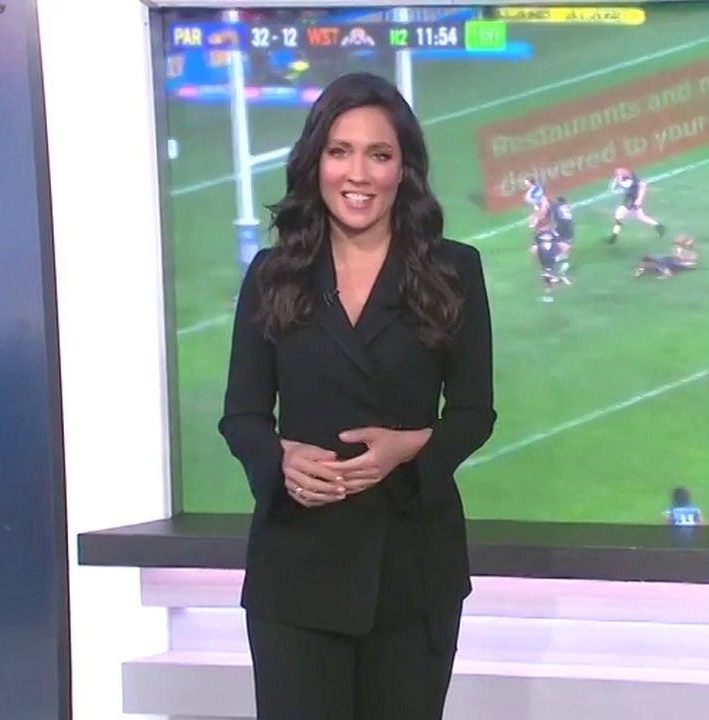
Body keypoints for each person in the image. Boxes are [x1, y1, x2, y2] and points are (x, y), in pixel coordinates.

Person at [218, 72, 496, 720]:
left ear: (404, 169)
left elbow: (474, 413)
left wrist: (409, 448)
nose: (359, 173)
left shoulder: (453, 270)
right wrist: (281, 461)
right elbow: (243, 415)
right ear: (315, 163)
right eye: (340, 151)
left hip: (413, 567)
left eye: (379, 154)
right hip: (297, 569)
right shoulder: (274, 274)